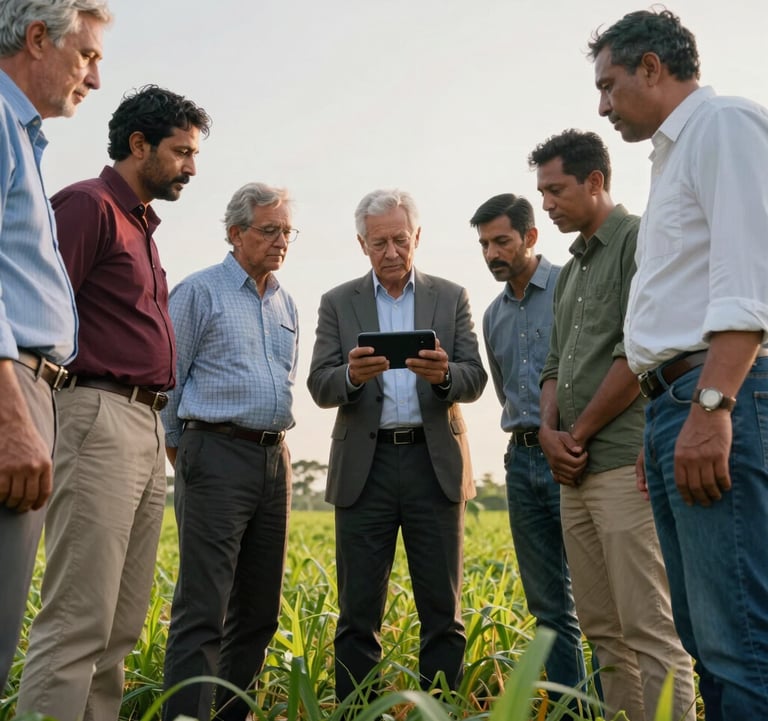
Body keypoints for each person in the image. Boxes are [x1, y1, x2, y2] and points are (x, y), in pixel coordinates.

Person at [589, 9, 768, 719]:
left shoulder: (723, 126)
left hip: (712, 394)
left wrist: (711, 407)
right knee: (702, 630)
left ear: (653, 69)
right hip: (674, 406)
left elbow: (747, 281)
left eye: (609, 85)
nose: (602, 105)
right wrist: (664, 424)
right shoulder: (673, 155)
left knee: (741, 638)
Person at [16, 86, 211, 721]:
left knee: (121, 626)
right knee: (79, 619)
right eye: (181, 152)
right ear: (138, 144)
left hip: (146, 424)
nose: (190, 167)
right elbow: (31, 312)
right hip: (94, 415)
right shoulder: (86, 206)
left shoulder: (142, 227)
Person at [529, 129, 696, 721]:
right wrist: (550, 432)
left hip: (624, 464)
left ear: (595, 181)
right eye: (542, 192)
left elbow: (638, 351)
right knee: (602, 631)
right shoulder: (570, 271)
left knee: (650, 629)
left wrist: (576, 435)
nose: (546, 204)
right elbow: (553, 364)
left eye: (555, 190)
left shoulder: (637, 241)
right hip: (573, 472)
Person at [307, 189, 487, 704]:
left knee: (442, 612)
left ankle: (440, 712)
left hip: (436, 465)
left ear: (418, 238)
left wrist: (447, 374)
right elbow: (320, 384)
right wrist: (352, 376)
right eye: (379, 242)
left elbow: (475, 378)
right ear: (362, 243)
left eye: (400, 240)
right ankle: (358, 714)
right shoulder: (338, 302)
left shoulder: (451, 296)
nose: (391, 252)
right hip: (368, 466)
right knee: (358, 612)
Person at [0, 0, 111, 691]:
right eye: (88, 55)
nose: (94, 78)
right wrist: (11, 404)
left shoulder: (24, 137)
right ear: (37, 39)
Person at [160, 183, 299, 721]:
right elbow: (168, 383)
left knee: (259, 611)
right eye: (269, 230)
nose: (280, 240)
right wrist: (186, 452)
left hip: (274, 459)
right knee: (203, 609)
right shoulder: (200, 292)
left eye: (287, 230)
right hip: (214, 452)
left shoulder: (287, 302)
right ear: (235, 233)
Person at [469, 194, 586, 698]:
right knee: (547, 606)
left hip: (576, 455)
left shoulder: (570, 285)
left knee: (600, 600)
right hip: (520, 460)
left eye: (502, 241)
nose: (492, 253)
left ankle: (612, 708)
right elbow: (504, 390)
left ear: (531, 237)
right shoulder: (492, 315)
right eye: (484, 245)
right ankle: (572, 709)